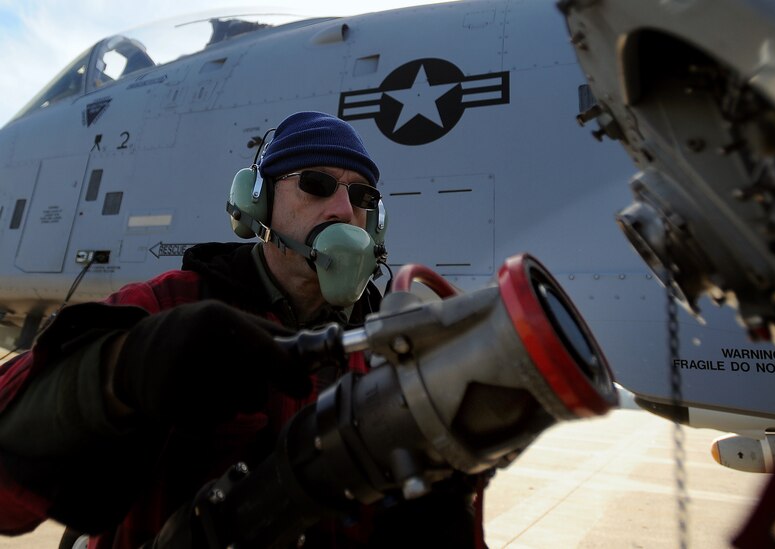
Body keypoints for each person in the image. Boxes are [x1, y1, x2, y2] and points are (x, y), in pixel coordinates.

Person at [0, 112, 482, 548]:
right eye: (316, 184)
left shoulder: (389, 348)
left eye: (363, 197)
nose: (342, 210)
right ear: (258, 203)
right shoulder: (169, 306)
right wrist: (119, 371)